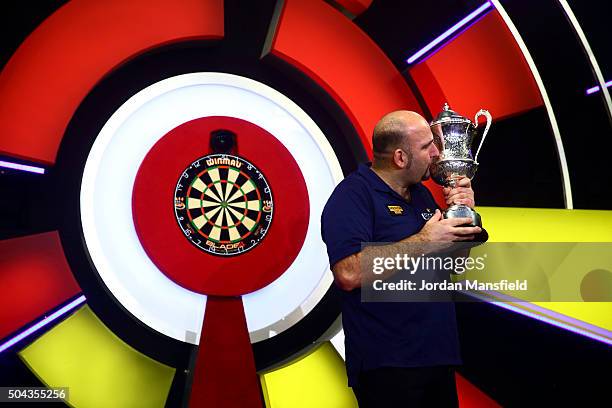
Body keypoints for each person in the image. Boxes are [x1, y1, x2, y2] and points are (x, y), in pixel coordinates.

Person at [321, 110, 485, 407]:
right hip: (388, 365)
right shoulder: (352, 196)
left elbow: (453, 266)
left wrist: (464, 220)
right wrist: (424, 240)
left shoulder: (421, 195)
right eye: (426, 147)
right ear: (400, 158)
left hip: (437, 356)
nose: (437, 153)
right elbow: (348, 274)